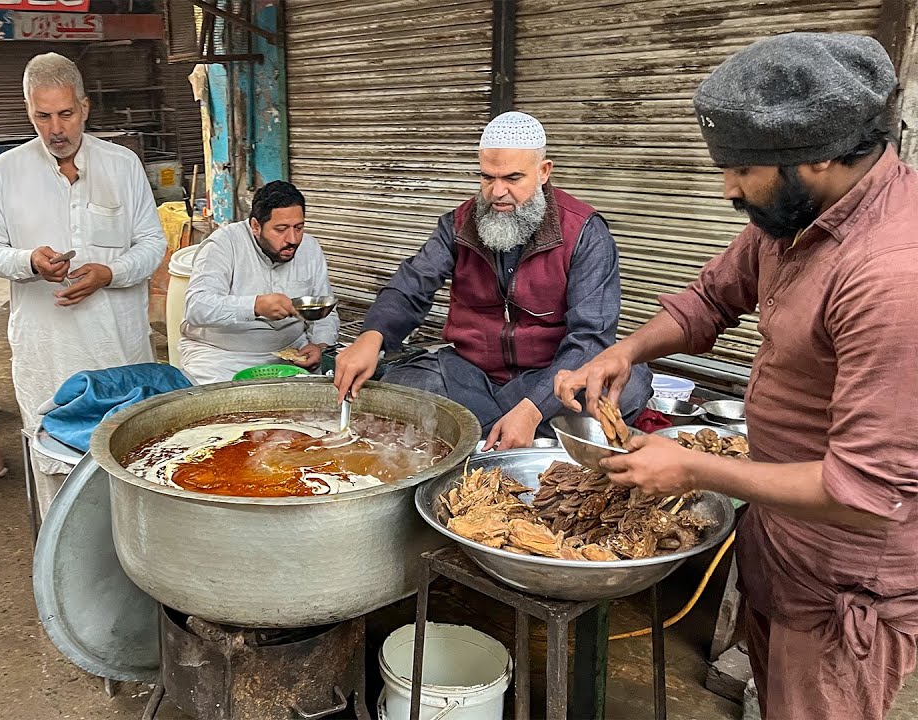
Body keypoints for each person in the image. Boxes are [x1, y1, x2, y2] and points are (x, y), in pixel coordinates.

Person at [556, 34, 917, 720]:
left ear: (816, 156)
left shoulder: (893, 279)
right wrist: (625, 351)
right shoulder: (794, 216)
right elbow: (712, 299)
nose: (727, 188)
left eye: (740, 170)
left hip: (848, 576)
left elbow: (867, 492)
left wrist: (694, 468)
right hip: (780, 533)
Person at [334, 111, 651, 449]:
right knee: (397, 383)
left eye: (513, 178)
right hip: (472, 376)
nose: (497, 192)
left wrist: (531, 410)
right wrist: (372, 336)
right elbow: (412, 284)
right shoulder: (459, 224)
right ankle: (514, 432)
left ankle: (484, 430)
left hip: (553, 377)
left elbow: (590, 339)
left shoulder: (586, 233)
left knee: (629, 385)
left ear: (544, 172)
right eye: (487, 178)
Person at [0, 52, 164, 509]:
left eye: (65, 114)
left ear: (84, 107)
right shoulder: (7, 170)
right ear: (28, 111)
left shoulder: (122, 164)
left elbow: (153, 246)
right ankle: (61, 571)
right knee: (53, 466)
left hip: (116, 352)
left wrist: (109, 273)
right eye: (43, 116)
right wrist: (29, 261)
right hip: (48, 353)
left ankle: (127, 566)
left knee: (127, 462)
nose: (56, 129)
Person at [179, 180, 339, 384]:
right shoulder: (222, 245)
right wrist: (254, 306)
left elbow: (325, 311)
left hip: (292, 356)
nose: (293, 239)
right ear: (255, 226)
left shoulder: (310, 248)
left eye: (298, 227)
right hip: (222, 358)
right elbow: (197, 307)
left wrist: (320, 345)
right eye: (281, 229)